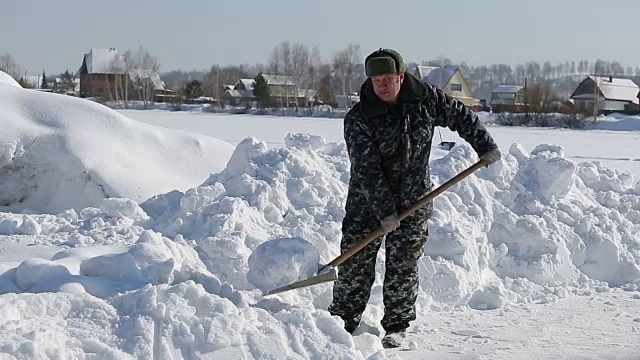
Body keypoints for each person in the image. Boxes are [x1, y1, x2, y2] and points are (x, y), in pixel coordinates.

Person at [328, 48, 501, 348]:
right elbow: (367, 171)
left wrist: (484, 145)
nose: (381, 85)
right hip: (367, 203)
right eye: (376, 79)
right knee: (356, 261)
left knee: (403, 263)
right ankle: (343, 319)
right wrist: (384, 212)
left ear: (401, 76)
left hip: (414, 199)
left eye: (388, 78)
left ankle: (397, 325)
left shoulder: (425, 100)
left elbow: (462, 116)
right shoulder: (359, 117)